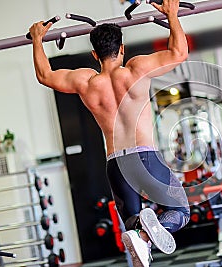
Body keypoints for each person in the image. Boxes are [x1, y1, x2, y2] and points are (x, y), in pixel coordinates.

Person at [29, 0, 190, 266]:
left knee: (130, 221)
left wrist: (37, 39)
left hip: (115, 164)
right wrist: (172, 15)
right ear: (122, 49)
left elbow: (45, 75)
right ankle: (146, 237)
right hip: (145, 159)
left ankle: (140, 235)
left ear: (94, 54)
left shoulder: (86, 82)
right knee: (179, 210)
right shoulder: (136, 69)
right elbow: (178, 52)